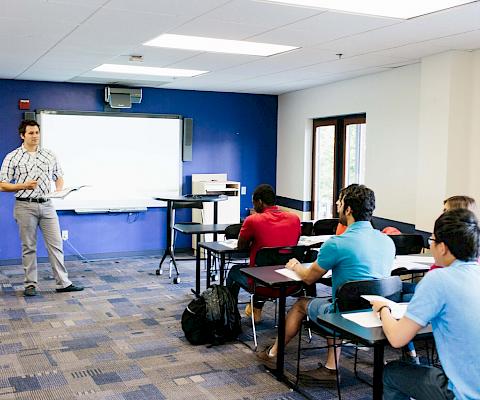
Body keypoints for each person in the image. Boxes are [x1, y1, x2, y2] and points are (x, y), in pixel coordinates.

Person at [257, 184, 395, 383]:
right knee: (337, 300)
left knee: (301, 305)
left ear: (348, 209)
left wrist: (295, 266)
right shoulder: (386, 242)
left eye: (339, 203)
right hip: (376, 314)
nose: (337, 207)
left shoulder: (337, 243)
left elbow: (308, 278)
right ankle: (331, 366)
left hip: (344, 315)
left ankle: (273, 354)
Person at [371, 208, 480, 399]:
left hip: (463, 393)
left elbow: (397, 339)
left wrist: (383, 309)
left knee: (391, 373)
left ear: (443, 247)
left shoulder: (438, 279)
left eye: (432, 240)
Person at [0, 120, 83, 296]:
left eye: (37, 132)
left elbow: (58, 176)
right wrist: (23, 186)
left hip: (47, 205)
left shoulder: (49, 155)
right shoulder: (12, 157)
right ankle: (30, 284)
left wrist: (59, 190)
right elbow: (2, 185)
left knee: (56, 245)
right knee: (28, 246)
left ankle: (63, 283)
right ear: (22, 135)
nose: (35, 136)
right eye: (31, 133)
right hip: (24, 206)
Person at [226, 184, 301, 323]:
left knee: (234, 271)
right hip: (290, 284)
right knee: (269, 266)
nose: (253, 206)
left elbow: (241, 246)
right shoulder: (295, 218)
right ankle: (256, 308)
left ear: (259, 201)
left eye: (253, 202)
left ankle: (230, 316)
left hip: (262, 285)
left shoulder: (253, 220)